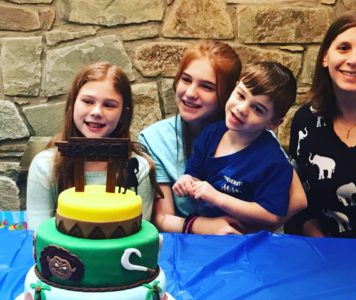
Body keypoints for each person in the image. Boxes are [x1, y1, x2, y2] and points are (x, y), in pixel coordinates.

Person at [139, 40, 306, 234]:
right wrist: (203, 225)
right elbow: (161, 219)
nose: (191, 93)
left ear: (225, 92)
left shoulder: (257, 136)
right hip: (191, 240)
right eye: (186, 79)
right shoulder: (158, 138)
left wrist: (244, 230)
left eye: (207, 87)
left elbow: (297, 200)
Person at [288, 9, 356, 238]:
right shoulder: (305, 121)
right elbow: (300, 204)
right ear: (325, 57)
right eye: (343, 48)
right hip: (325, 258)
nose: (353, 60)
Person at [27, 62, 159, 230]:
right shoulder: (44, 166)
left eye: (109, 105)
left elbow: (140, 234)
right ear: (72, 104)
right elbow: (37, 233)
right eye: (88, 101)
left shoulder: (138, 169)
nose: (97, 112)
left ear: (124, 113)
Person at [173, 62, 297, 232]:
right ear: (235, 87)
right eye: (241, 96)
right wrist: (187, 180)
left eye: (258, 109)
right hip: (211, 232)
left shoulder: (273, 162)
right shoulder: (211, 134)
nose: (241, 109)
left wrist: (217, 197)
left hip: (252, 241)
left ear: (273, 123)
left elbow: (271, 215)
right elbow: (195, 172)